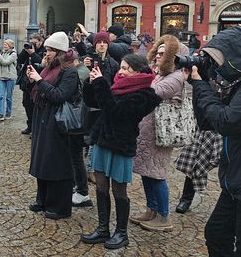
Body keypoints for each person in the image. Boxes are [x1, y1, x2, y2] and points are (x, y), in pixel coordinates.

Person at [80, 54, 161, 249]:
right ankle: (102, 229)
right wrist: (91, 83)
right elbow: (96, 102)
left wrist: (101, 84)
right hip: (103, 140)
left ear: (138, 71)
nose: (121, 71)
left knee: (119, 190)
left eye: (126, 68)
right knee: (100, 186)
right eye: (121, 68)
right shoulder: (118, 85)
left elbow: (115, 111)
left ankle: (121, 233)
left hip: (121, 145)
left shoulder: (145, 95)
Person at [184, 27, 241, 256]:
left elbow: (226, 121)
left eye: (219, 59)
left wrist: (201, 85)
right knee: (216, 234)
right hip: (235, 182)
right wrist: (203, 82)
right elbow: (207, 121)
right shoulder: (239, 81)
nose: (217, 66)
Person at [130, 35, 187, 232]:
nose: (158, 57)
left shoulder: (176, 76)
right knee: (147, 172)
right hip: (148, 130)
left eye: (163, 54)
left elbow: (155, 91)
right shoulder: (160, 73)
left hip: (161, 134)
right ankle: (151, 210)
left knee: (157, 174)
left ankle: (164, 217)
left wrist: (141, 79)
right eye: (157, 53)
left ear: (174, 57)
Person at [25, 32, 79, 220]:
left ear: (60, 52)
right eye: (46, 49)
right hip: (43, 118)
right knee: (43, 160)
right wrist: (32, 80)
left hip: (58, 122)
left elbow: (59, 95)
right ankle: (43, 200)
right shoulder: (48, 68)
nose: (46, 53)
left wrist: (39, 81)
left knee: (56, 162)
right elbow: (37, 93)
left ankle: (59, 206)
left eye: (50, 50)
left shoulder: (69, 71)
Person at [77, 32, 119, 198]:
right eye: (99, 42)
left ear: (108, 44)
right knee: (84, 139)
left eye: (104, 42)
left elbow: (114, 84)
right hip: (89, 104)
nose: (101, 45)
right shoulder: (88, 60)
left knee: (96, 139)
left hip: (104, 105)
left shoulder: (113, 63)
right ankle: (82, 170)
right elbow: (82, 83)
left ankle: (91, 169)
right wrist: (86, 68)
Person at [173, 127, 222, 214]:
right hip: (204, 129)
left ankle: (227, 208)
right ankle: (186, 200)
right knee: (195, 166)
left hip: (223, 132)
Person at [0, 39, 17, 121]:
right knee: (1, 96)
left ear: (10, 45)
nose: (4, 46)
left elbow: (5, 62)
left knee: (9, 97)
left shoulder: (13, 54)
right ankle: (0, 114)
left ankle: (8, 113)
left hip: (10, 77)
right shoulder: (2, 53)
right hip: (2, 77)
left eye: (6, 44)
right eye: (4, 44)